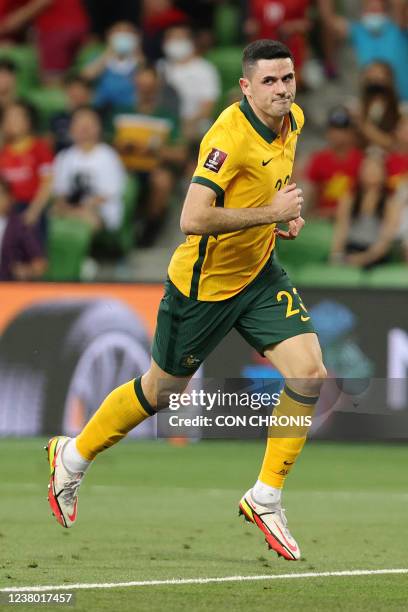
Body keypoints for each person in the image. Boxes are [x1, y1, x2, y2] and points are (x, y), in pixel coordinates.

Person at [45, 40, 327, 562]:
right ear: (246, 86)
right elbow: (192, 218)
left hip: (259, 274)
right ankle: (74, 454)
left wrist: (282, 217)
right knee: (162, 389)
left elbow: (268, 190)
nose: (282, 89)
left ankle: (266, 496)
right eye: (269, 81)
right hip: (204, 287)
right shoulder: (228, 135)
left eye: (287, 78)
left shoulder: (295, 121)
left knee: (309, 372)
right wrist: (269, 212)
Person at [114, 64, 187, 245]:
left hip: (154, 168)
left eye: (150, 84)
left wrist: (155, 150)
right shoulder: (120, 113)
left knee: (162, 180)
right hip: (123, 168)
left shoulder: (167, 117)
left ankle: (151, 225)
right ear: (134, 83)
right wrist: (122, 146)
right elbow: (107, 143)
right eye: (141, 83)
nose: (145, 88)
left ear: (157, 86)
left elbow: (180, 153)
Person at [52, 106, 126, 234]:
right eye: (80, 124)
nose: (84, 129)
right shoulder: (64, 157)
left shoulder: (108, 156)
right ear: (71, 129)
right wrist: (66, 207)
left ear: (98, 128)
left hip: (99, 211)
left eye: (89, 124)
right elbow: (60, 191)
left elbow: (108, 194)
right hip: (71, 207)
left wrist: (82, 207)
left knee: (87, 218)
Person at [322, 0, 408, 101]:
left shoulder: (399, 28)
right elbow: (329, 21)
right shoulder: (355, 30)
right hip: (364, 101)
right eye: (370, 9)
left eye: (377, 10)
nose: (374, 13)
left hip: (401, 101)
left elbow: (401, 3)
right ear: (363, 10)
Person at [330, 152, 400, 268]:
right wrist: (336, 254)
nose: (370, 172)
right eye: (366, 167)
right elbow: (341, 229)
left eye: (375, 168)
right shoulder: (349, 199)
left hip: (376, 255)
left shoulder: (390, 203)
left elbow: (385, 239)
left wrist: (363, 258)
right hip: (351, 248)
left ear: (384, 174)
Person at [0, 101, 53, 244]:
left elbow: (47, 183)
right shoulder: (3, 151)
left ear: (28, 121)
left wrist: (34, 211)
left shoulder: (39, 148)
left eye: (16, 117)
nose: (11, 121)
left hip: (30, 207)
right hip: (6, 210)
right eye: (8, 117)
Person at [0, 0, 89, 84]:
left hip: (57, 29)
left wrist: (10, 23)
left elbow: (43, 2)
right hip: (73, 26)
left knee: (52, 80)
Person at [159, 24, 221, 142]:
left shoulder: (204, 69)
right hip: (164, 123)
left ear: (191, 42)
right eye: (172, 38)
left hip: (195, 126)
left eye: (180, 38)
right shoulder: (160, 67)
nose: (176, 42)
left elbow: (208, 106)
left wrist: (186, 125)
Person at [304, 106, 363, 219]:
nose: (337, 134)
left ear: (352, 133)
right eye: (333, 129)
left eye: (342, 130)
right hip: (322, 219)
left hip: (352, 218)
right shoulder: (319, 159)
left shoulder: (361, 160)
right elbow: (311, 194)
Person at [81, 21, 144, 115]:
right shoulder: (97, 56)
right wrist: (108, 53)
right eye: (118, 32)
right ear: (109, 36)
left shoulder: (140, 60)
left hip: (130, 111)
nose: (123, 35)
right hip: (102, 110)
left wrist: (138, 54)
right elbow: (85, 77)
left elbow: (148, 80)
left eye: (128, 32)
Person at [0, 177, 47, 281]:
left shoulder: (19, 226)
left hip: (8, 287)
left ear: (9, 198)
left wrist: (27, 271)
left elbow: (40, 264)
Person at [353, 61, 401, 151]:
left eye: (379, 74)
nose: (374, 78)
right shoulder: (357, 107)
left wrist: (363, 125)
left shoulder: (401, 110)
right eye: (370, 74)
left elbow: (394, 144)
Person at [48, 75, 93, 154]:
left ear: (88, 94)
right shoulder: (57, 118)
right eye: (73, 91)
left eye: (80, 93)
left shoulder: (96, 118)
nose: (76, 96)